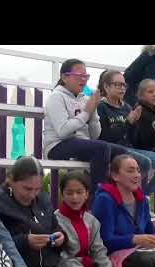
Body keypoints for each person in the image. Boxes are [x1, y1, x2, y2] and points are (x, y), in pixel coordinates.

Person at [0, 156, 102, 267]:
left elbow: (56, 228)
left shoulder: (42, 199)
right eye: (27, 189)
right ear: (11, 180)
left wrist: (61, 237)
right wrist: (25, 241)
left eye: (37, 189)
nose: (32, 195)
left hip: (47, 265)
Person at [55, 171, 143, 267]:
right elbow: (63, 259)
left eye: (79, 192)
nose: (74, 197)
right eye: (69, 193)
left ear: (87, 194)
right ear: (62, 194)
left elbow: (99, 252)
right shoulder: (56, 221)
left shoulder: (91, 221)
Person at [42, 58, 126, 195]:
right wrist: (86, 113)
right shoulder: (56, 97)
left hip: (81, 144)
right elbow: (63, 132)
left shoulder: (84, 99)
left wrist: (93, 114)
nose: (83, 80)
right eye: (79, 76)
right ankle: (97, 199)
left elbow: (95, 135)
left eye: (85, 76)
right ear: (65, 77)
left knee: (121, 153)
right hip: (57, 145)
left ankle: (117, 197)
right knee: (102, 148)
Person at [97, 70, 155, 195]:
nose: (122, 88)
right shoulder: (101, 107)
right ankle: (132, 198)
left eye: (124, 85)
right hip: (112, 149)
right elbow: (105, 137)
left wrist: (138, 124)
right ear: (106, 86)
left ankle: (140, 196)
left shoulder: (127, 108)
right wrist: (128, 122)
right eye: (117, 84)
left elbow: (134, 139)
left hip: (130, 149)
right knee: (144, 162)